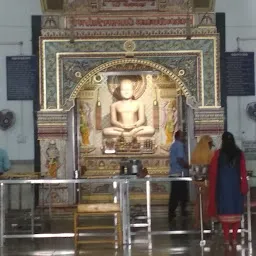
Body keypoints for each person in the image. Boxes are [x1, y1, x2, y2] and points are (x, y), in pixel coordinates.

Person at [208, 132, 248, 246]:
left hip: (223, 187)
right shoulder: (239, 154)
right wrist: (244, 186)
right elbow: (243, 172)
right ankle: (234, 238)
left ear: (223, 141)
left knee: (225, 212)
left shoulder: (218, 154)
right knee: (236, 211)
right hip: (236, 187)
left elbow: (212, 171)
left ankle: (226, 239)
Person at [190, 135, 214, 228]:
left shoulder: (195, 152)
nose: (211, 146)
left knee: (199, 201)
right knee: (206, 201)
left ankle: (197, 221)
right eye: (211, 144)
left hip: (197, 181)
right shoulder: (210, 153)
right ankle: (205, 220)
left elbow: (192, 168)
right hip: (206, 182)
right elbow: (211, 169)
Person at [168, 130, 189, 221]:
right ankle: (178, 212)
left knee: (177, 194)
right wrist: (187, 166)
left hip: (174, 172)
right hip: (179, 173)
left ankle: (173, 212)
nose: (184, 138)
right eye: (182, 136)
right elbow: (180, 159)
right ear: (178, 137)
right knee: (179, 194)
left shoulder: (173, 145)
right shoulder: (180, 145)